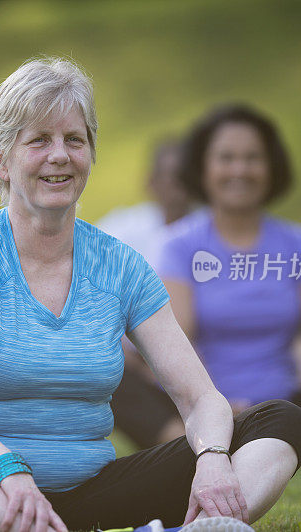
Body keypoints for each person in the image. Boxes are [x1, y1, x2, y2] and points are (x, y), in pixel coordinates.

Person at [0, 58, 301, 532]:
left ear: (91, 153)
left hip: (92, 496)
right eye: (38, 140)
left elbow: (201, 400)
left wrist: (213, 460)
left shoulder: (120, 265)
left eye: (75, 139)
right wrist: (8, 469)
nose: (60, 155)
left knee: (279, 420)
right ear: (0, 159)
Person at [157, 104, 301, 461]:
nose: (240, 169)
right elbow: (179, 344)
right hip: (203, 404)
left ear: (271, 168)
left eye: (253, 158)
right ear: (203, 169)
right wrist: (214, 406)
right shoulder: (179, 246)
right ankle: (211, 436)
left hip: (289, 404)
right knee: (127, 380)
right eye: (226, 158)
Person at [97, 140, 192, 448]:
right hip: (135, 362)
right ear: (151, 182)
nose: (178, 186)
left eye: (186, 176)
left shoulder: (209, 234)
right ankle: (177, 438)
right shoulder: (122, 229)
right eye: (170, 176)